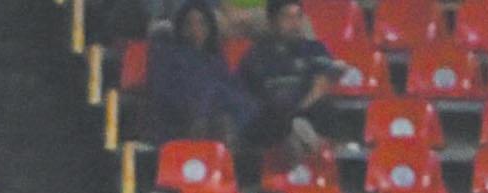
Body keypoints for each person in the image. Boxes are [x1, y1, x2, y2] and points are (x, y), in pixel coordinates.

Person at [237, 0, 343, 154]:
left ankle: (304, 139)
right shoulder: (255, 56)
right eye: (287, 17)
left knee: (326, 107)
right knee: (271, 117)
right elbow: (248, 97)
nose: (294, 23)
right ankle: (303, 138)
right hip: (273, 121)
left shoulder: (314, 49)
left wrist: (298, 111)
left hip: (307, 111)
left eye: (298, 16)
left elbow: (322, 83)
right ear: (272, 22)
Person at [147, 1, 259, 143]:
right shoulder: (168, 56)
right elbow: (164, 92)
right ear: (181, 27)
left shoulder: (215, 58)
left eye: (202, 23)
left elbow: (232, 89)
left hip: (217, 117)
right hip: (182, 118)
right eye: (189, 23)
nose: (196, 28)